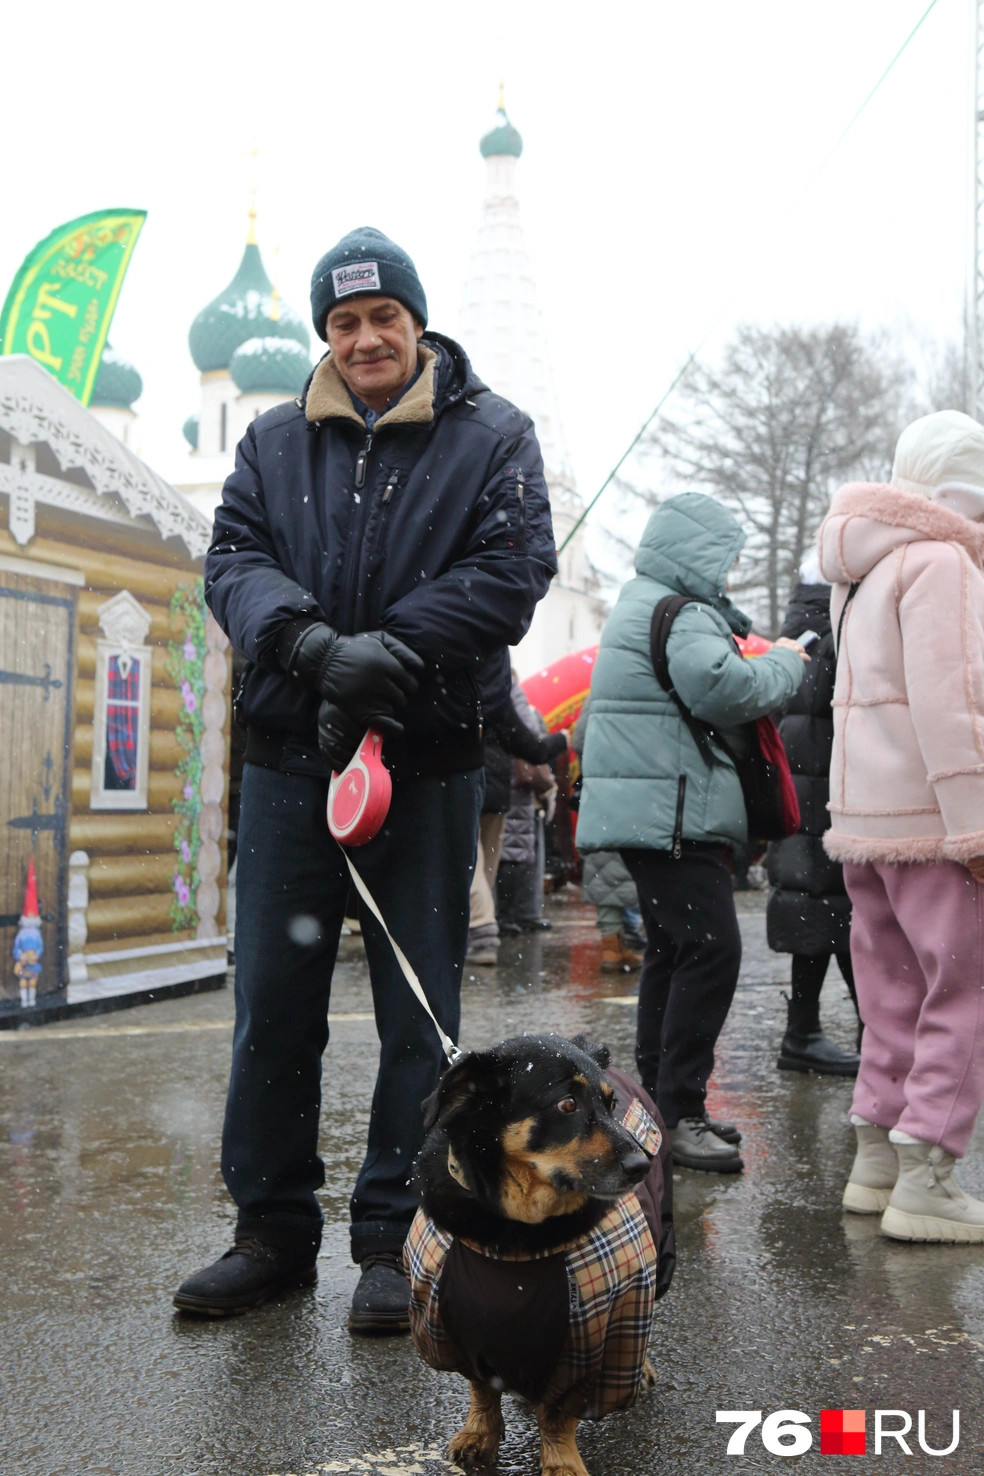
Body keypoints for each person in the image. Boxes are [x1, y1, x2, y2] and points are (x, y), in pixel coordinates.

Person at [174, 227, 556, 1325]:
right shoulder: (274, 441)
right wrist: (306, 647)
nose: (365, 338)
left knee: (415, 1013)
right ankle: (272, 1233)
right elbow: (232, 560)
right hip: (295, 768)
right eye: (343, 323)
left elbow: (515, 567)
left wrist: (389, 649)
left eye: (383, 316)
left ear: (417, 322)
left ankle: (396, 1238)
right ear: (325, 337)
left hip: (425, 768)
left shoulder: (495, 438)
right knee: (274, 1010)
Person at [577, 493, 808, 1171]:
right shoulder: (679, 612)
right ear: (699, 554)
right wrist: (789, 662)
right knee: (710, 951)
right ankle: (675, 1113)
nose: (729, 574)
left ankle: (658, 1109)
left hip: (658, 810)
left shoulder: (644, 600)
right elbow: (723, 687)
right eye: (726, 559)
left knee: (674, 953)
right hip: (674, 812)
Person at [823, 411, 984, 1241]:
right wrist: (976, 827)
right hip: (931, 817)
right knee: (964, 990)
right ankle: (929, 1174)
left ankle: (876, 1159)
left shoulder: (862, 566)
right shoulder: (944, 561)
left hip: (863, 817)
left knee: (889, 992)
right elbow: (953, 705)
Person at [766, 552, 861, 1075]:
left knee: (820, 912)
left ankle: (804, 1032)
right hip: (828, 793)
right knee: (840, 913)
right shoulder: (834, 630)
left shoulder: (800, 628)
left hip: (800, 795)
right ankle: (856, 1032)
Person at [467, 690, 567, 964]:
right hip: (497, 788)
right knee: (485, 864)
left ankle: (481, 931)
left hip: (465, 779)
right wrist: (552, 745)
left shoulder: (458, 678)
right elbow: (523, 740)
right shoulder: (497, 688)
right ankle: (480, 929)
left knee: (468, 861)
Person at [572, 697, 644, 972]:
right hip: (642, 791)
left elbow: (579, 742)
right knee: (645, 868)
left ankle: (611, 949)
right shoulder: (654, 683)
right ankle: (656, 944)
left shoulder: (598, 693)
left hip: (602, 792)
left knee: (604, 867)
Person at [495, 684, 558, 935]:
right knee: (514, 852)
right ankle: (509, 916)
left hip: (496, 778)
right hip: (513, 785)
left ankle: (500, 916)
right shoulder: (507, 687)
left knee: (503, 851)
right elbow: (527, 732)